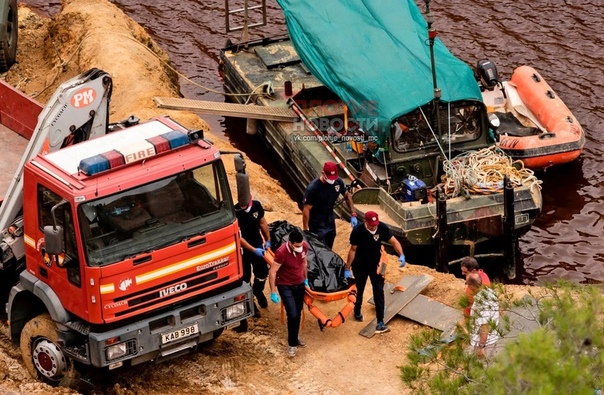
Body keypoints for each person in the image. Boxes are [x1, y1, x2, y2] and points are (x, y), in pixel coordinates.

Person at [345, 211, 405, 334]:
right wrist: (347, 268)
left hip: (376, 264)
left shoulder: (381, 227)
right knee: (359, 289)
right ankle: (357, 310)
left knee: (378, 290)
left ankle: (380, 322)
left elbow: (394, 241)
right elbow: (353, 250)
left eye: (375, 224)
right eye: (371, 225)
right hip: (360, 265)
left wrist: (401, 254)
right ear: (366, 222)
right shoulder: (357, 231)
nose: (374, 227)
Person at [234, 194, 271, 332]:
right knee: (245, 278)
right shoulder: (235, 213)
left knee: (262, 273)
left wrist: (268, 240)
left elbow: (262, 223)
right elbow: (238, 236)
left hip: (258, 245)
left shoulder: (256, 206)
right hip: (244, 251)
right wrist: (252, 249)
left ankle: (258, 290)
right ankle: (251, 304)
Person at [268, 229, 308, 357]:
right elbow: (273, 272)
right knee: (292, 314)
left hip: (299, 283)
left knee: (299, 310)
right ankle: (292, 344)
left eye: (301, 245)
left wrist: (305, 278)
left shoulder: (304, 247)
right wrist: (273, 291)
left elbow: (304, 263)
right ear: (290, 243)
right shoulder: (281, 252)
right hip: (286, 285)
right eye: (297, 246)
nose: (300, 248)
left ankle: (295, 336)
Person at [302, 161, 357, 249]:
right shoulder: (313, 189)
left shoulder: (338, 182)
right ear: (323, 173)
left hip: (329, 220)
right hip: (316, 223)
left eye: (333, 178)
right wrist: (305, 228)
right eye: (330, 178)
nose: (332, 180)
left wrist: (353, 214)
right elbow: (306, 209)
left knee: (329, 244)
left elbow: (347, 195)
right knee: (318, 247)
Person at [466, 272, 500, 359]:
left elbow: (484, 327)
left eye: (467, 284)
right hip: (492, 336)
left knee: (481, 366)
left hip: (485, 342)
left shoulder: (482, 304)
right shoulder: (490, 292)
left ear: (472, 286)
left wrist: (481, 347)